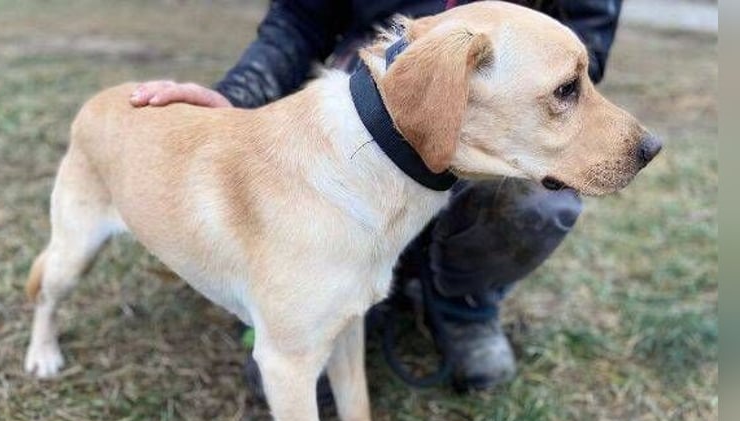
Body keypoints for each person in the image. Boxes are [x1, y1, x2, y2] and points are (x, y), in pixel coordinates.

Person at [130, 0, 623, 392]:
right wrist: (237, 93)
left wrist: (503, 97)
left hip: (513, 97)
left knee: (540, 204)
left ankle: (463, 303)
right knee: (342, 154)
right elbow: (300, 18)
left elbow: (585, 35)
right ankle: (323, 295)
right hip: (374, 75)